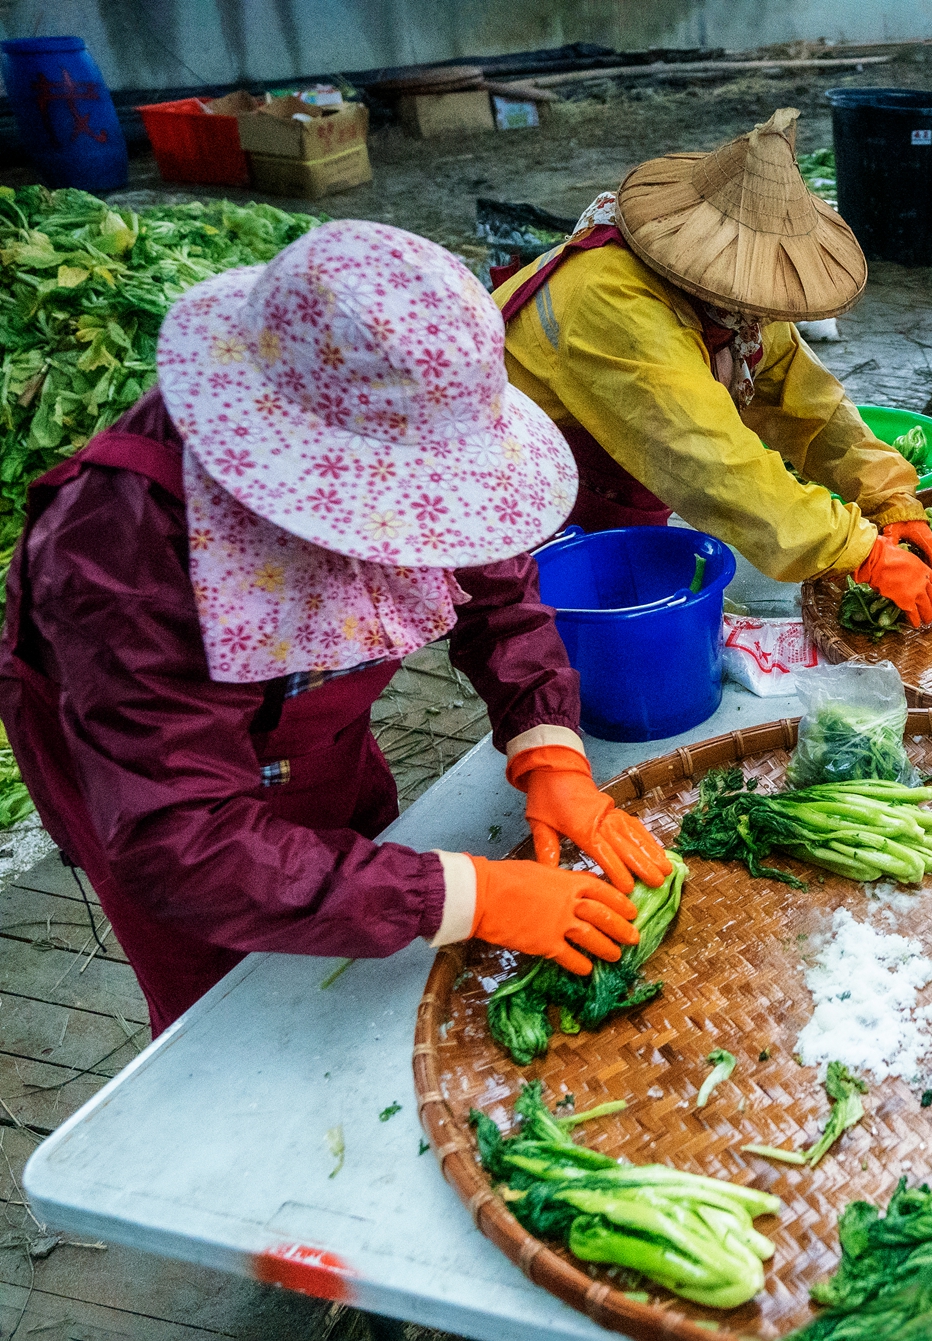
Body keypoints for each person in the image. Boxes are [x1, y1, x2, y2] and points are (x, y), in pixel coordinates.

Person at [0, 222, 673, 1034]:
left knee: (365, 922)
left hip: (321, 742)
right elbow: (180, 841)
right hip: (157, 791)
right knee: (241, 1015)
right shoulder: (118, 549)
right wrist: (464, 894)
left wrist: (548, 745)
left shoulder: (419, 467)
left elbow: (494, 583)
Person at [498, 109, 932, 628]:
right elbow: (711, 461)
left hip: (609, 480)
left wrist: (888, 494)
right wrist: (859, 550)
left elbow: (800, 398)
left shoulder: (735, 301)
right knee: (536, 625)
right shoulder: (611, 298)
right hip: (526, 482)